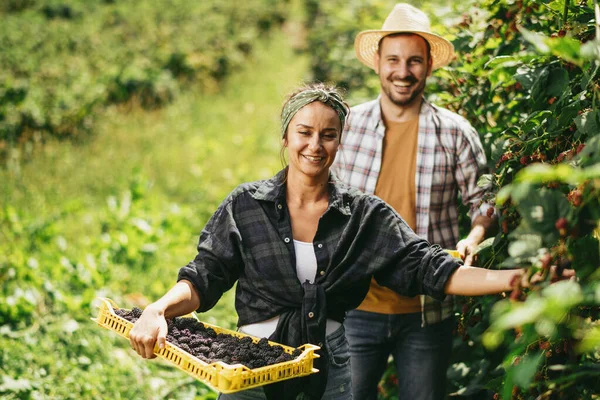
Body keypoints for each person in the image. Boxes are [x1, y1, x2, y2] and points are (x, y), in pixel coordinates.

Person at [128, 83, 543, 400]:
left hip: (328, 372)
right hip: (249, 372)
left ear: (339, 143)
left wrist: (514, 278)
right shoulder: (246, 206)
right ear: (286, 138)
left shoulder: (364, 216)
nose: (315, 145)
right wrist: (158, 309)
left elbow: (433, 269)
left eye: (328, 135)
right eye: (304, 132)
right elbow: (204, 276)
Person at [331, 4, 496, 400]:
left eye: (414, 61)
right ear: (377, 63)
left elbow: (484, 201)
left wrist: (475, 235)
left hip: (427, 310)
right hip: (354, 307)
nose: (402, 72)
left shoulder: (456, 133)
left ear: (428, 67)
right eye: (393, 60)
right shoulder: (347, 127)